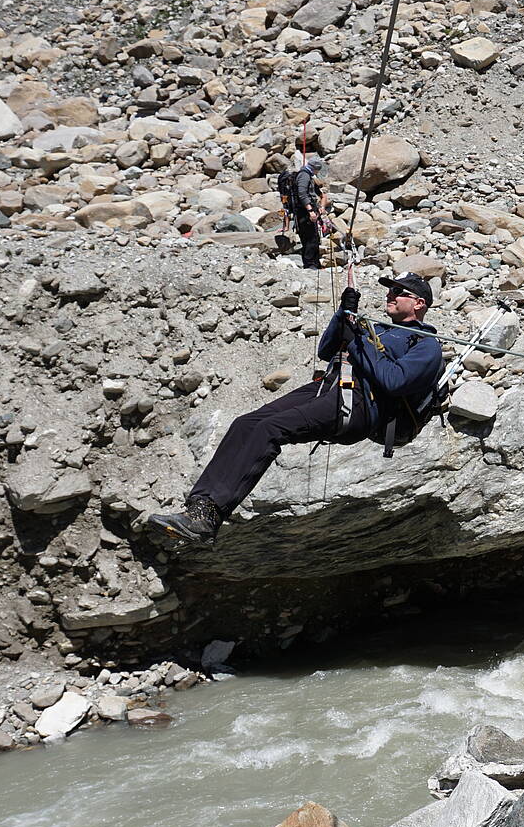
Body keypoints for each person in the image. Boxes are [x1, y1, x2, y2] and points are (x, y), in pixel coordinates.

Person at [145, 271, 443, 547]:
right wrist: (345, 314)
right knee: (246, 423)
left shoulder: (426, 344)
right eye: (389, 290)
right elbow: (327, 349)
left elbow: (394, 381)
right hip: (331, 387)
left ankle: (208, 520)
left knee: (270, 429)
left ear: (418, 304)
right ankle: (198, 508)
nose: (390, 295)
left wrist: (357, 343)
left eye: (397, 291)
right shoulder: (379, 329)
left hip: (360, 405)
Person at [283, 155, 328, 270]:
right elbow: (302, 193)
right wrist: (310, 210)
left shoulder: (308, 176)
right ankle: (310, 264)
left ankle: (314, 263)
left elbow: (319, 193)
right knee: (310, 238)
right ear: (315, 168)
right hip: (304, 212)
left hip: (307, 211)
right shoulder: (304, 176)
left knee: (314, 237)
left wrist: (320, 207)